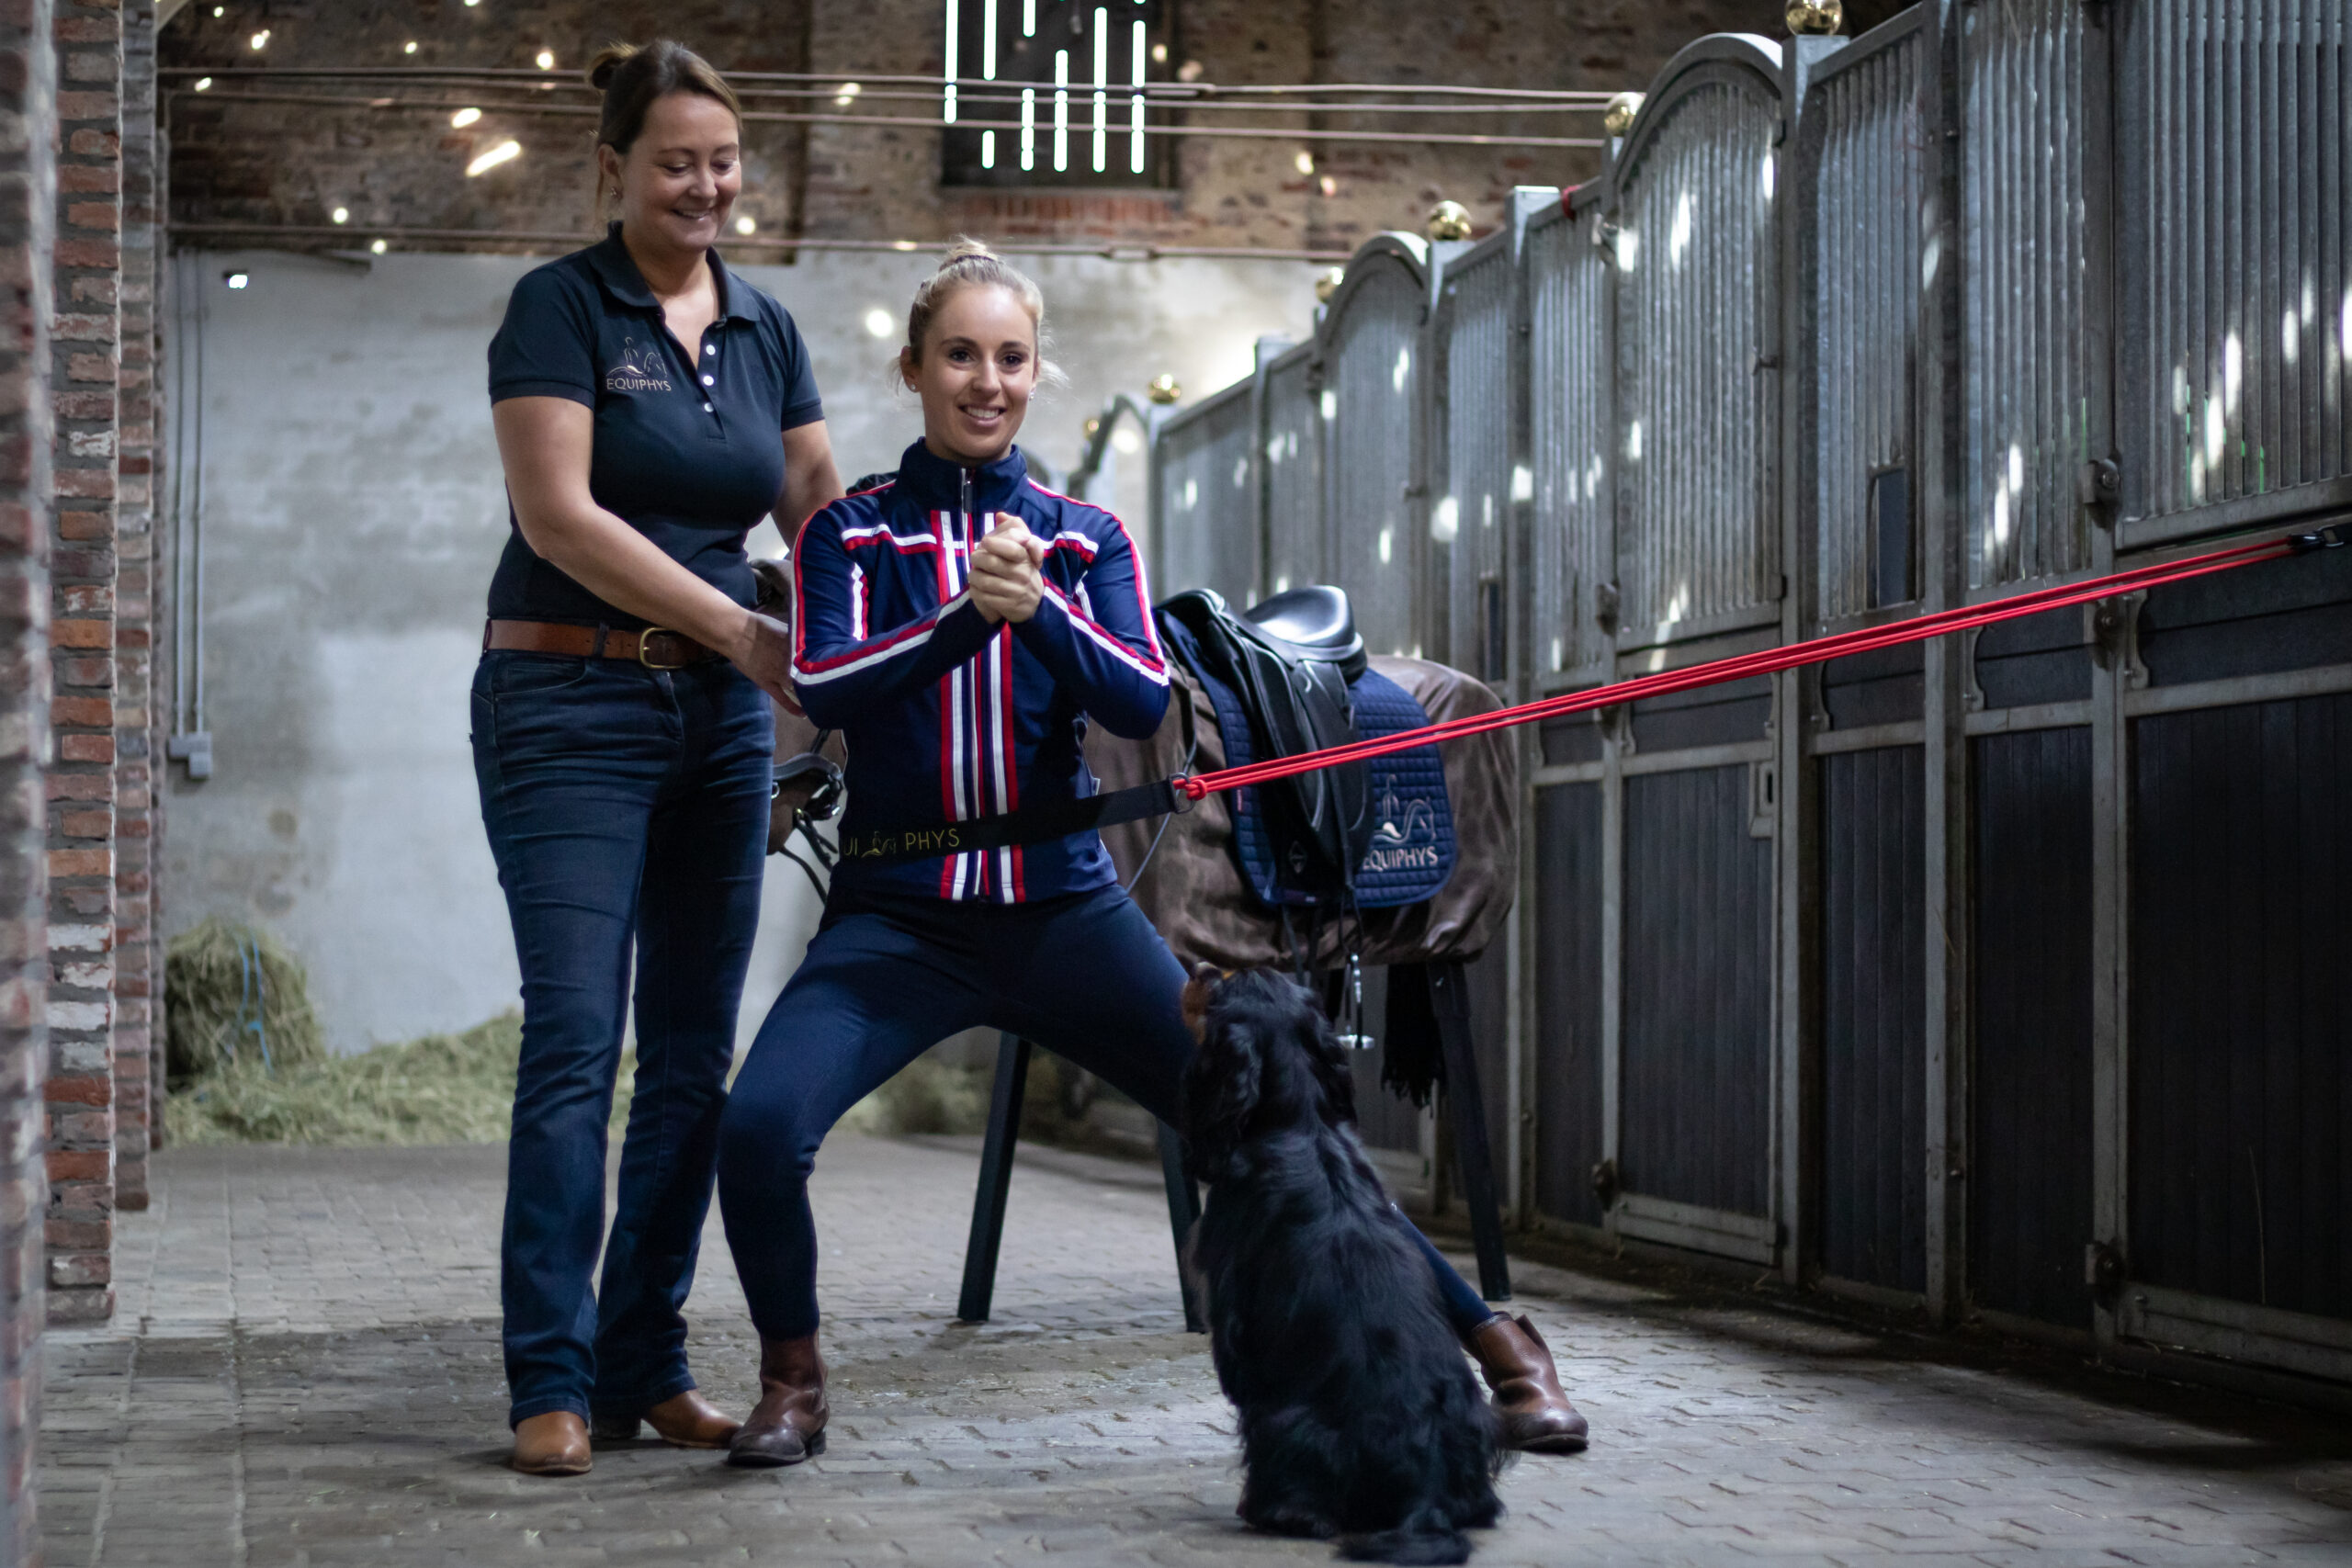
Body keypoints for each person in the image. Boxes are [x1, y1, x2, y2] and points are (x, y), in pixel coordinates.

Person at [711, 241, 1588, 1468]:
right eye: (959, 354)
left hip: (1067, 916)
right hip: (897, 923)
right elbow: (822, 682)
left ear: (1035, 374)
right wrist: (965, 613)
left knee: (1276, 1129)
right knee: (756, 1128)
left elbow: (1134, 702)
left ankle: (1497, 1344)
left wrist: (1042, 613)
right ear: (913, 368)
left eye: (1010, 358)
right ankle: (793, 1383)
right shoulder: (849, 538)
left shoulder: (1084, 537)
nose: (986, 380)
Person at [476, 39, 843, 1476]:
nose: (706, 185)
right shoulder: (558, 307)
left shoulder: (767, 325)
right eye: (676, 160)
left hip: (720, 726)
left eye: (723, 161)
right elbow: (561, 516)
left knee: (696, 1055)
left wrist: (877, 627)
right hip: (567, 703)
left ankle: (645, 1360)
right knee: (576, 1039)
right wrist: (746, 635)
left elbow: (814, 497)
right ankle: (548, 1378)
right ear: (615, 166)